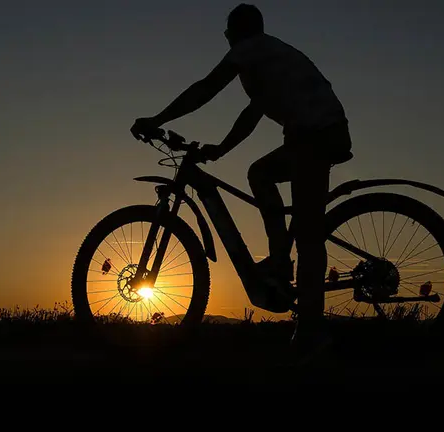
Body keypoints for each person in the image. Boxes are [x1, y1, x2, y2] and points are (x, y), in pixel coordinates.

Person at [130, 3, 353, 348]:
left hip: (315, 136)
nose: (226, 38)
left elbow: (206, 88)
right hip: (316, 134)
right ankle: (281, 263)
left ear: (235, 33)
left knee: (308, 233)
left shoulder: (251, 49)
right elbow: (253, 114)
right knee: (260, 175)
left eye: (228, 32)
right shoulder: (268, 58)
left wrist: (157, 120)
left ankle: (311, 329)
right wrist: (220, 149)